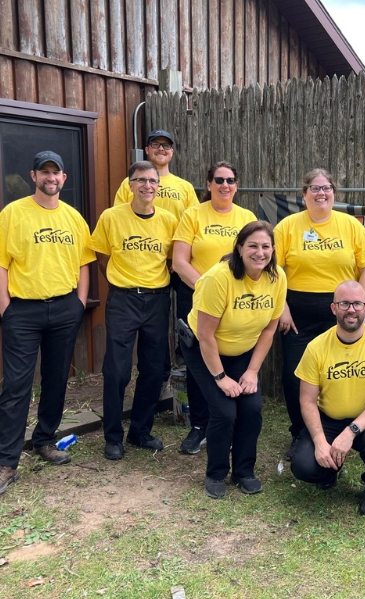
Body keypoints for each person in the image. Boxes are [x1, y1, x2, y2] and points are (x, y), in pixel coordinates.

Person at [0, 151, 95, 495]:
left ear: (64, 179)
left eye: (56, 173)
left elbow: (85, 263)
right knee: (16, 386)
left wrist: (80, 303)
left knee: (56, 379)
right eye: (45, 172)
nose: (51, 178)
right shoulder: (13, 213)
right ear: (34, 175)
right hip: (22, 311)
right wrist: (6, 308)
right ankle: (7, 462)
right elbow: (2, 262)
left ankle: (44, 440)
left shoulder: (74, 218)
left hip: (64, 308)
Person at [274, 168, 365, 461]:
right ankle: (301, 434)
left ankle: (348, 432)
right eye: (315, 188)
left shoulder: (350, 225)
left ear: (334, 193)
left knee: (341, 375)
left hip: (341, 311)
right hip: (297, 313)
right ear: (304, 194)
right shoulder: (287, 226)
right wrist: (282, 307)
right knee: (295, 377)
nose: (321, 193)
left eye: (327, 188)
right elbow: (273, 270)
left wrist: (363, 305)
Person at [181, 221, 286, 498]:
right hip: (205, 349)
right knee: (225, 412)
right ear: (240, 248)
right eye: (252, 245)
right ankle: (216, 474)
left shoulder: (277, 278)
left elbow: (269, 329)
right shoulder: (219, 278)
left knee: (251, 410)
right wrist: (220, 378)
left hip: (242, 351)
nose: (259, 252)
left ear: (273, 250)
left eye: (265, 246)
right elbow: (205, 336)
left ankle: (244, 471)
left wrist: (252, 371)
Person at [291, 281, 365, 516]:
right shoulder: (316, 347)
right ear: (334, 308)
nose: (351, 309)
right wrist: (321, 442)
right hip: (329, 418)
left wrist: (350, 431)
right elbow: (307, 401)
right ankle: (330, 468)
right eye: (344, 303)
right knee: (303, 467)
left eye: (357, 304)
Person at [90, 160, 178, 460]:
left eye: (153, 181)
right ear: (130, 185)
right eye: (141, 180)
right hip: (123, 299)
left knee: (154, 369)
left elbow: (171, 260)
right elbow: (102, 258)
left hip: (157, 300)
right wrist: (123, 283)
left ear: (158, 186)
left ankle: (140, 431)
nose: (147, 186)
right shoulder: (111, 217)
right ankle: (113, 436)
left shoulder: (168, 220)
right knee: (117, 370)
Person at [172, 161, 256, 454]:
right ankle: (199, 426)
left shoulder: (246, 217)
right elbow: (179, 261)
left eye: (230, 180)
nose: (225, 185)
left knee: (233, 359)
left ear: (236, 185)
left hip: (237, 302)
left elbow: (255, 258)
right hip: (196, 296)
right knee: (197, 362)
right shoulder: (192, 214)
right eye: (218, 180)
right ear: (208, 184)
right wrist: (207, 289)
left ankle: (230, 424)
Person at [114, 130, 199, 402]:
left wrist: (182, 259)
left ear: (172, 152)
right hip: (147, 263)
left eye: (167, 146)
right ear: (147, 150)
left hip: (179, 262)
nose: (161, 149)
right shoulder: (130, 184)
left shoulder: (184, 187)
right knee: (156, 325)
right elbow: (121, 223)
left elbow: (195, 223)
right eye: (155, 145)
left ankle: (185, 365)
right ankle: (161, 376)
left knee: (188, 315)